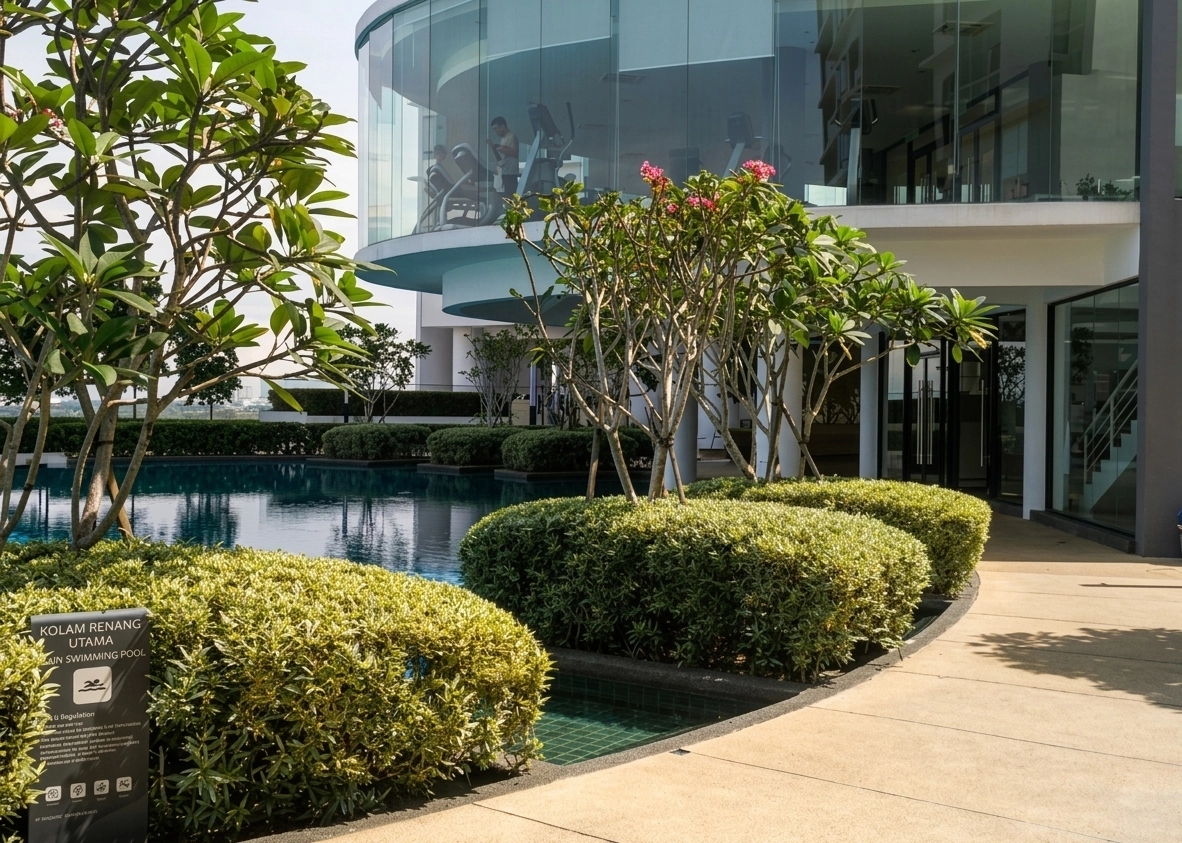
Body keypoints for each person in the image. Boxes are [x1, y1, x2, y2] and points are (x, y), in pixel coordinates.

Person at [485, 116, 519, 195]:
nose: (495, 131)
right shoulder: (503, 139)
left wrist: (501, 149)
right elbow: (501, 160)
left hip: (511, 174)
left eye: (496, 128)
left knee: (510, 197)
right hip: (504, 173)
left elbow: (515, 152)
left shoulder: (511, 136)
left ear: (502, 126)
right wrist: (493, 148)